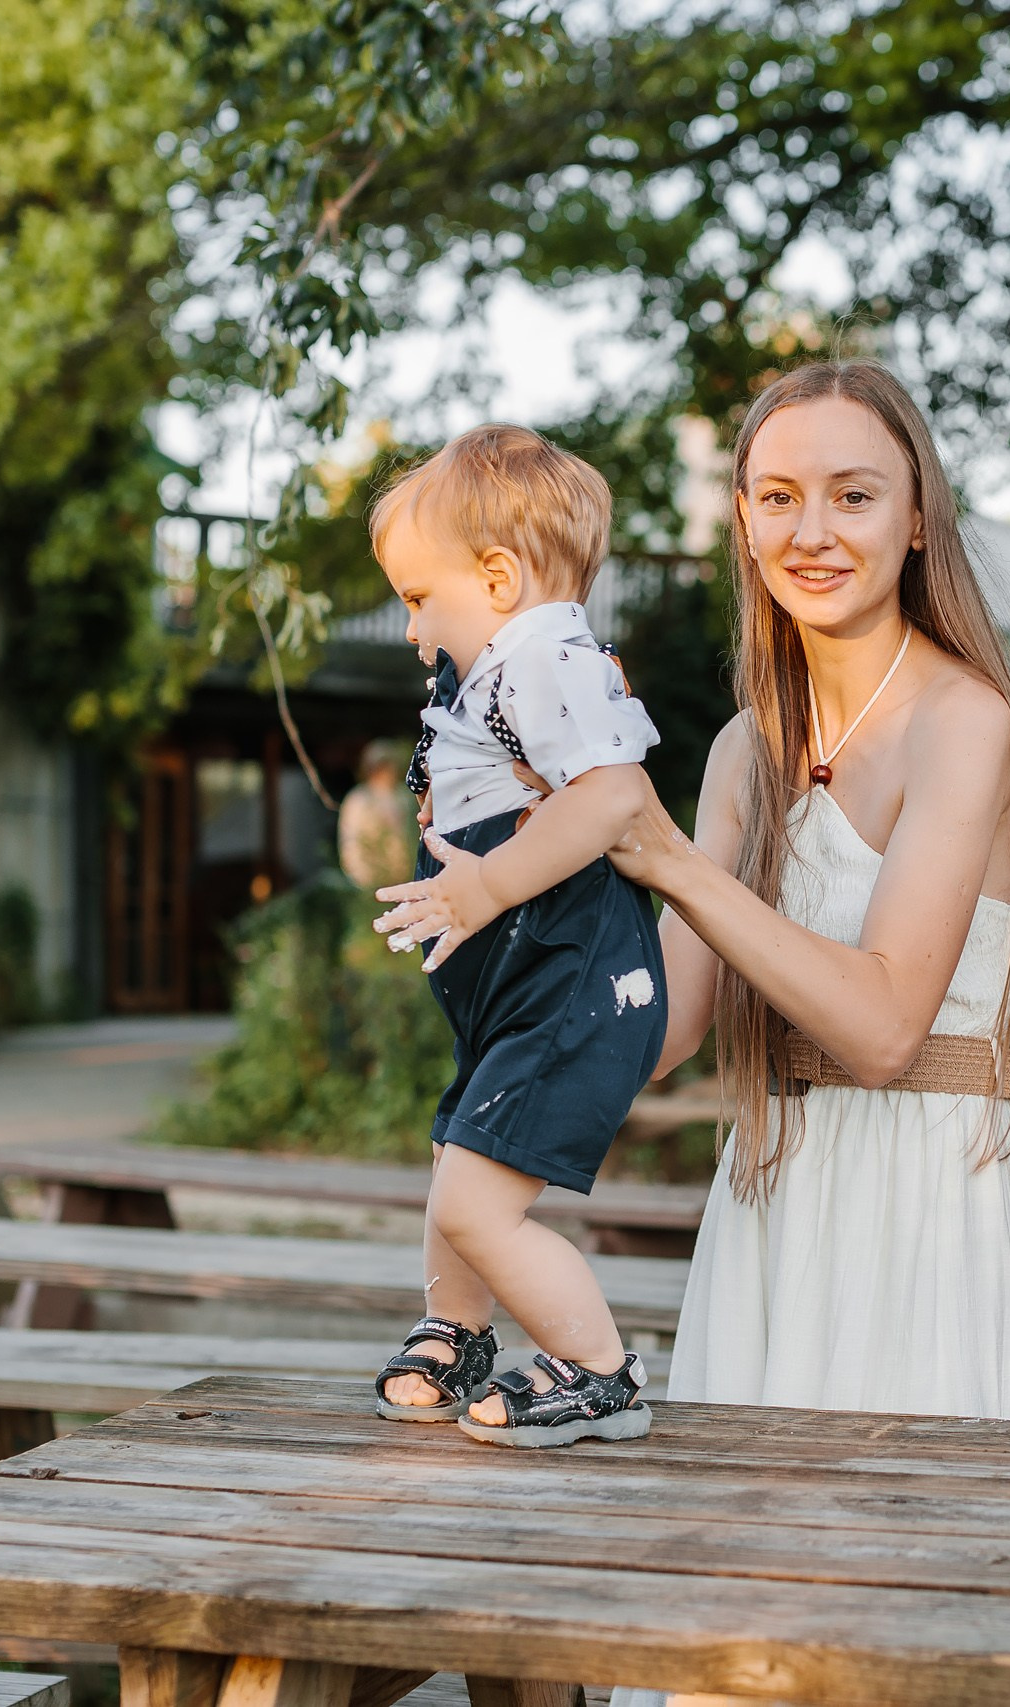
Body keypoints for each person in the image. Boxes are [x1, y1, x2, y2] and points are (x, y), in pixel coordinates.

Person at [605, 358, 1010, 1423]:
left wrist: (667, 857)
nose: (811, 532)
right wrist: (524, 865)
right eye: (779, 499)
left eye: (852, 496)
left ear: (916, 520)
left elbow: (881, 1027)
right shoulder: (742, 750)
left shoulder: (964, 721)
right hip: (775, 1193)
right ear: (743, 522)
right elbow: (661, 1032)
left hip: (919, 1207)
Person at [365, 423, 667, 1448]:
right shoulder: (498, 666)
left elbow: (615, 796)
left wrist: (485, 884)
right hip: (520, 976)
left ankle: (598, 1368)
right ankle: (458, 1324)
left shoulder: (545, 656)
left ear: (497, 577)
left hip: (567, 969)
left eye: (417, 597)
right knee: (462, 1148)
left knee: (476, 1194)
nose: (411, 629)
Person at [336, 738, 416, 891]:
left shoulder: (405, 797)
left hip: (404, 878)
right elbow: (351, 841)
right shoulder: (358, 799)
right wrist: (361, 876)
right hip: (369, 879)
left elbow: (413, 833)